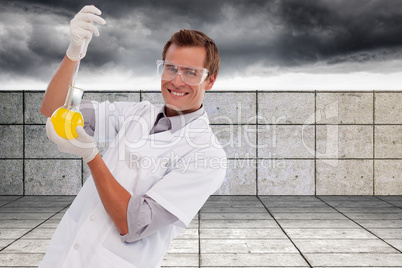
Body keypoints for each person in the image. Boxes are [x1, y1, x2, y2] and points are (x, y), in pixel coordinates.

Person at [39, 5, 226, 268]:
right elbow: (53, 110)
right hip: (64, 257)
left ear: (210, 80)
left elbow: (133, 223)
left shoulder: (207, 155)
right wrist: (74, 52)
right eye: (170, 68)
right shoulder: (136, 114)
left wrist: (91, 155)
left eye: (191, 72)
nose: (177, 80)